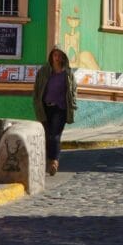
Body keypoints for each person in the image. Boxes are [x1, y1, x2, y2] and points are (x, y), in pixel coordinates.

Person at [33, 46, 77, 176]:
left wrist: (73, 105)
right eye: (55, 55)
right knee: (46, 135)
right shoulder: (44, 71)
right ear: (51, 57)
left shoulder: (68, 74)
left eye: (59, 55)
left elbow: (73, 91)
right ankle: (48, 160)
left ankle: (54, 162)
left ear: (63, 57)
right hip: (45, 107)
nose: (57, 58)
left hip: (60, 108)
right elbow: (37, 89)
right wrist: (36, 103)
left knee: (55, 135)